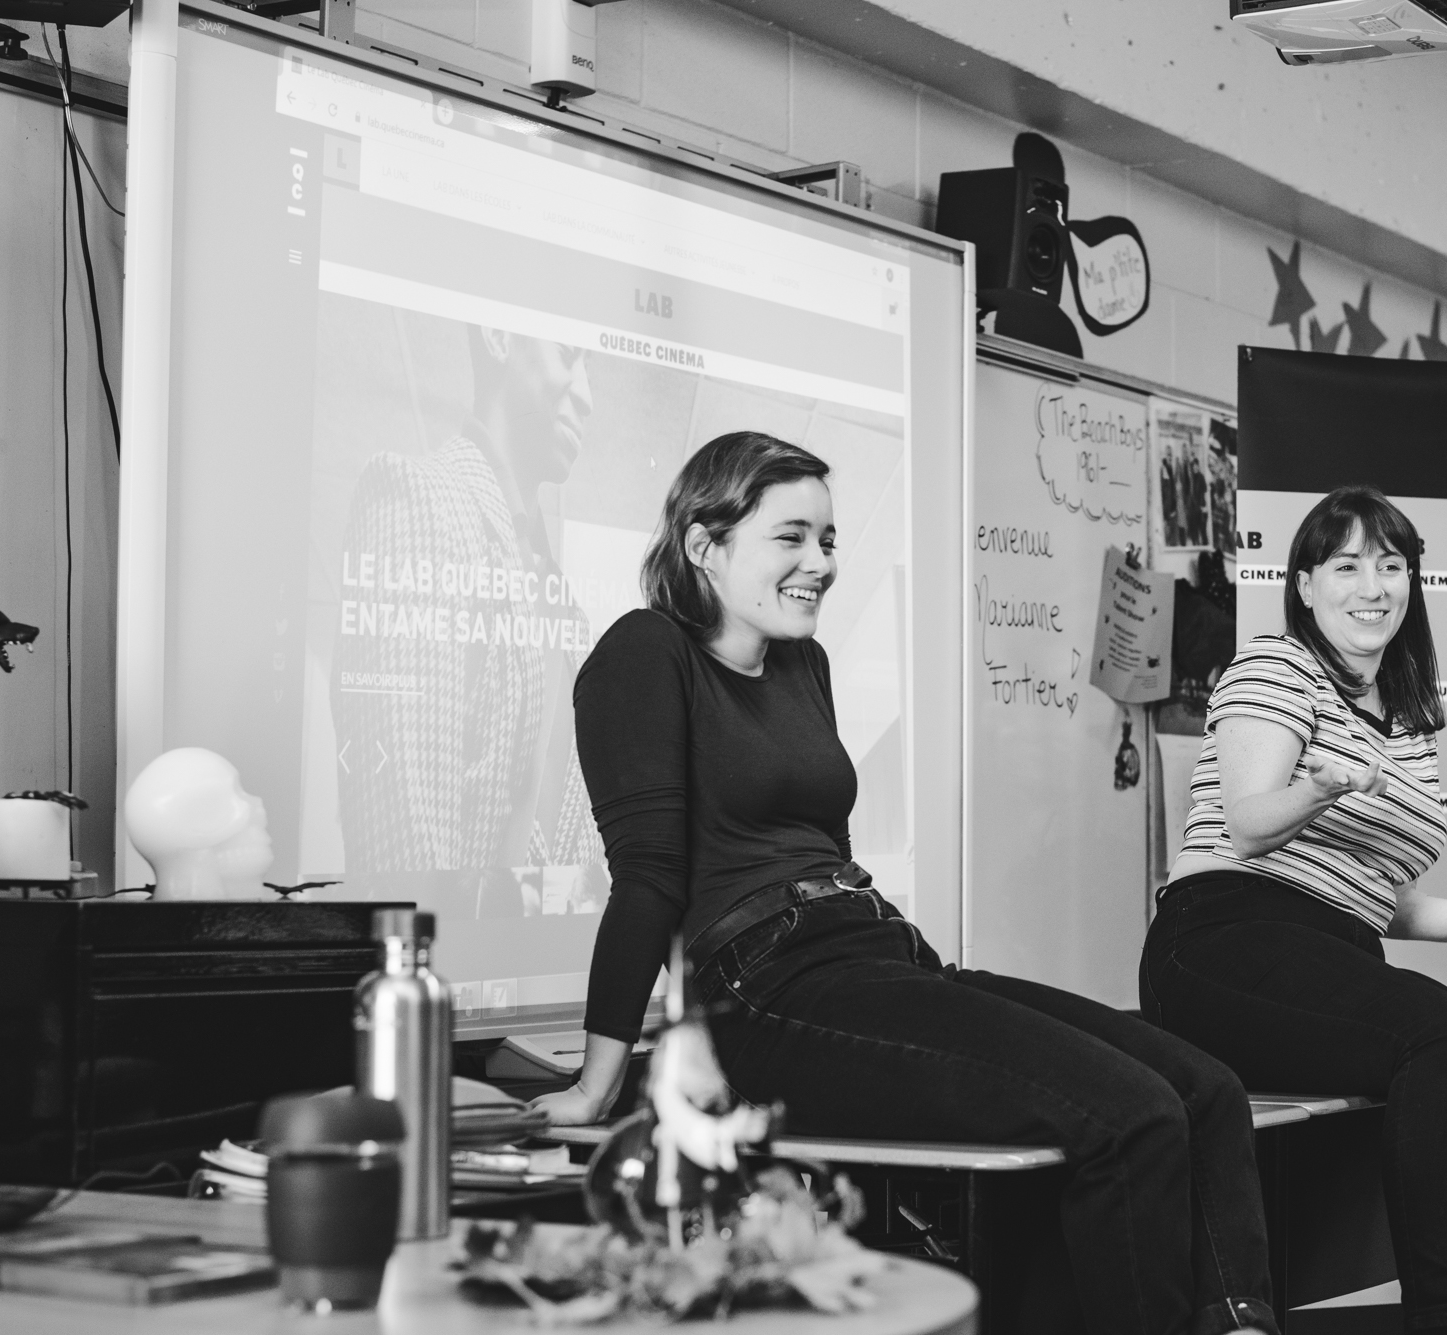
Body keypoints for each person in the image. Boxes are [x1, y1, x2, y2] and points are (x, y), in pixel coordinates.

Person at [534, 431, 1279, 1335]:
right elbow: (646, 878)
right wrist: (594, 1081)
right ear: (703, 543)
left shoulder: (803, 663)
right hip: (758, 988)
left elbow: (828, 845)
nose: (821, 562)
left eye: (830, 539)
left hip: (873, 954)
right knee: (1126, 1117)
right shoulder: (644, 653)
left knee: (1206, 1089)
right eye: (791, 536)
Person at [1139, 485, 1447, 1335]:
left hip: (1332, 948)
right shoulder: (1275, 665)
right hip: (1219, 938)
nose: (1374, 585)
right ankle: (1445, 1321)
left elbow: (1384, 905)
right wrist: (1319, 783)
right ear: (1304, 584)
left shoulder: (1404, 720)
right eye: (1347, 565)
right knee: (1438, 1032)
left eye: (1392, 565)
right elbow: (1250, 826)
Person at [331, 326, 601, 879]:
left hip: (558, 957)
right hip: (454, 960)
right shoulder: (416, 498)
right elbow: (404, 836)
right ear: (500, 338)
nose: (587, 396)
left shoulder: (567, 607)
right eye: (569, 355)